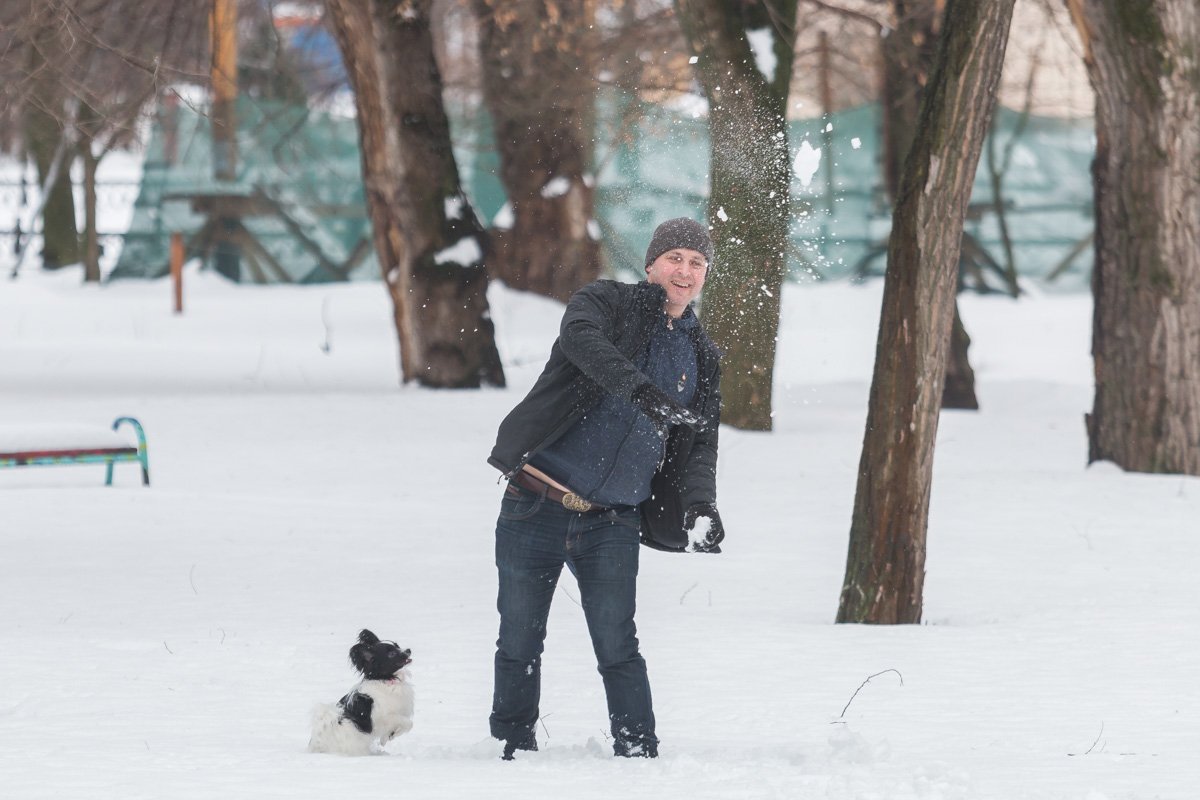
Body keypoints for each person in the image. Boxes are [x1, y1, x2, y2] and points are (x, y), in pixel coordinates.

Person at [486, 217, 726, 760]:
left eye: (696, 262)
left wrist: (700, 504)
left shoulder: (702, 355)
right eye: (674, 258)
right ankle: (510, 749)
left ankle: (638, 752)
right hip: (535, 502)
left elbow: (701, 443)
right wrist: (640, 390)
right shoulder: (606, 302)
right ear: (651, 264)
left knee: (618, 644)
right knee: (519, 640)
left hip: (612, 519)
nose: (684, 271)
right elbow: (581, 341)